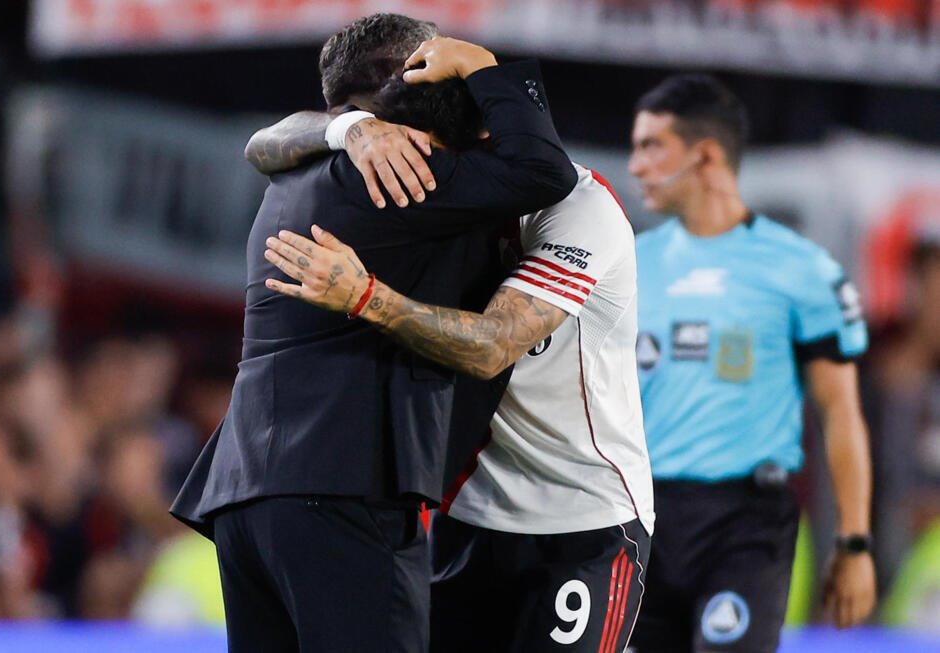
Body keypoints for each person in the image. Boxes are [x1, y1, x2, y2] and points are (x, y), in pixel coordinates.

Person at [170, 14, 577, 653]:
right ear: (402, 78)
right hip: (344, 487)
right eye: (430, 56)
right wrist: (483, 66)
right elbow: (546, 173)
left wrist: (346, 126)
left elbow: (265, 142)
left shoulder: (294, 178)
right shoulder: (404, 169)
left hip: (247, 494)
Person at [258, 93, 653, 653]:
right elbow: (264, 145)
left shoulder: (579, 207)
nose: (420, 161)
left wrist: (366, 297)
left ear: (484, 140)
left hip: (582, 521)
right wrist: (350, 129)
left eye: (431, 146)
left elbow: (493, 346)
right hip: (468, 516)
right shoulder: (443, 203)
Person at [625, 74, 875, 652]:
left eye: (652, 146)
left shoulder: (802, 270)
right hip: (638, 518)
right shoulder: (628, 263)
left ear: (705, 155)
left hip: (744, 524)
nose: (636, 166)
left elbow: (840, 413)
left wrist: (854, 541)